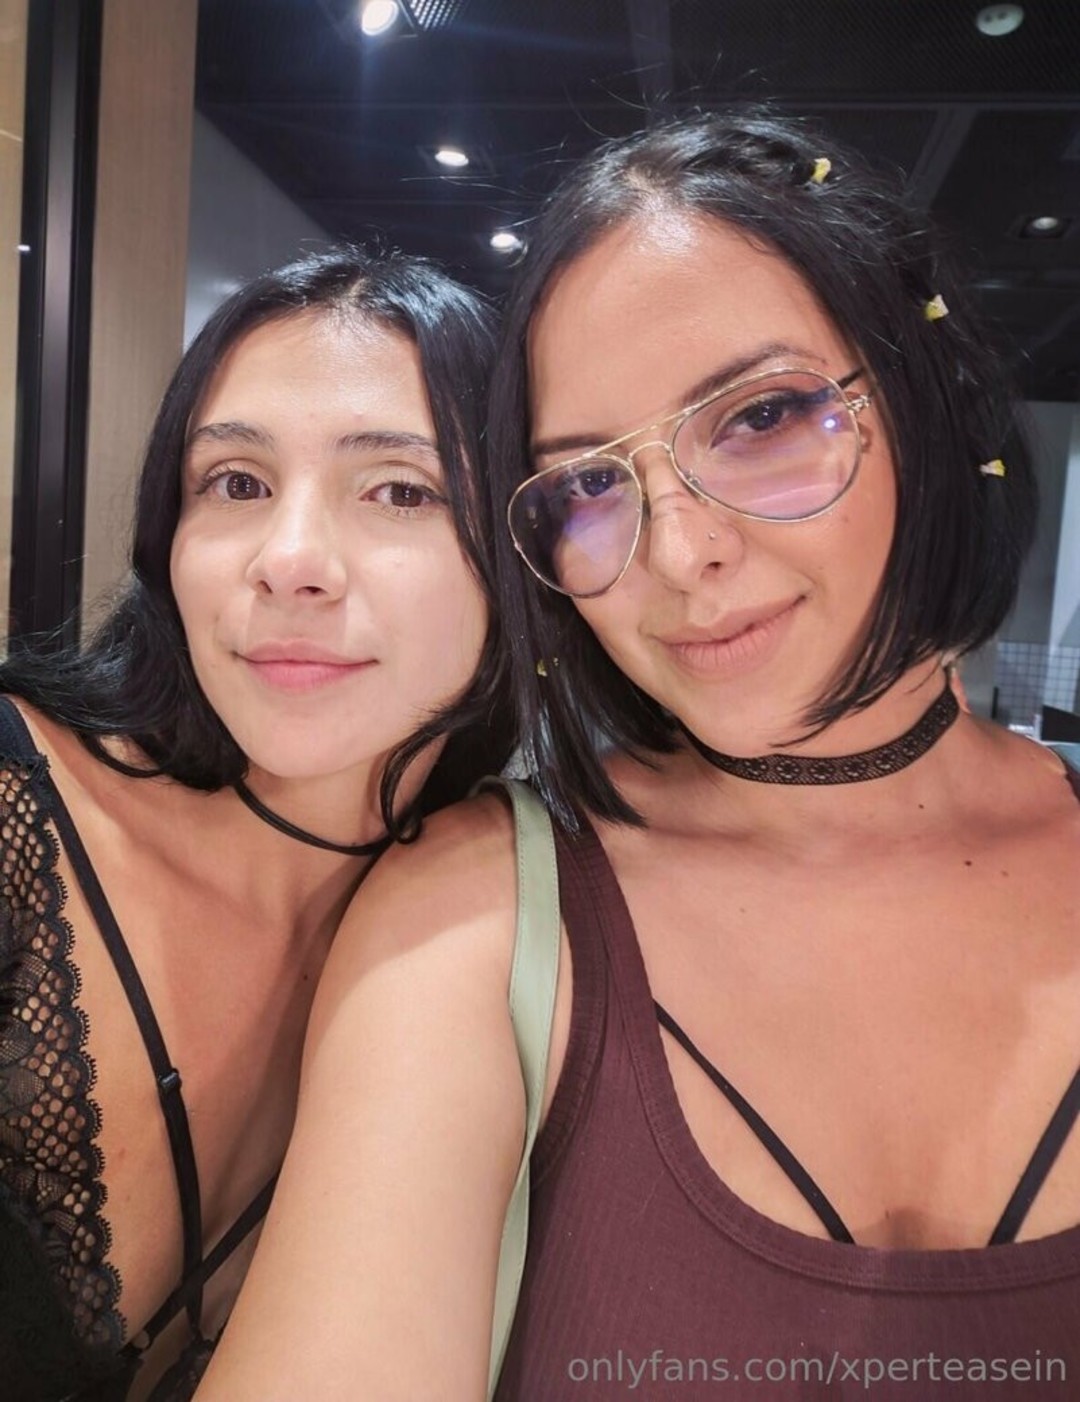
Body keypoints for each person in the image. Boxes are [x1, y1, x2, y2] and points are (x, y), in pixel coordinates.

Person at [194, 112, 1080, 1401]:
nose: (677, 553)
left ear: (926, 401)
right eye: (589, 485)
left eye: (761, 416)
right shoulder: (488, 912)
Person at [0, 246, 512, 1402]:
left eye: (401, 491)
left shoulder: (493, 920)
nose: (290, 564)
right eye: (235, 483)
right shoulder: (18, 815)